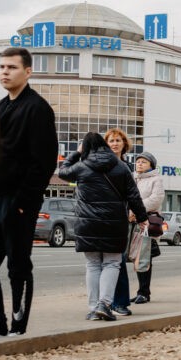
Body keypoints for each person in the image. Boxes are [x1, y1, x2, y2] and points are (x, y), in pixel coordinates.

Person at [0, 47, 59, 337]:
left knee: (18, 267)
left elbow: (44, 162)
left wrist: (23, 202)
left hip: (19, 202)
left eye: (11, 67)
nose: (4, 72)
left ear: (28, 71)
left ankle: (17, 329)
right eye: (1, 67)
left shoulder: (38, 109)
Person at [56, 133, 148, 321]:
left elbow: (62, 171)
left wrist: (77, 153)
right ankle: (104, 305)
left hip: (87, 224)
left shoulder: (81, 166)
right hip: (114, 223)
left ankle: (93, 308)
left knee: (92, 265)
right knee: (112, 263)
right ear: (104, 145)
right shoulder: (121, 167)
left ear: (86, 147)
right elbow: (133, 195)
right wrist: (142, 217)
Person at [104, 128, 135, 316]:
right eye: (111, 141)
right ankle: (104, 302)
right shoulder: (102, 163)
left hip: (120, 217)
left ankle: (120, 302)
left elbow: (131, 192)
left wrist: (134, 210)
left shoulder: (127, 166)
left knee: (119, 260)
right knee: (102, 262)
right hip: (102, 216)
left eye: (118, 140)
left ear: (124, 144)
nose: (115, 144)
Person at [130, 152, 164, 304]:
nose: (140, 164)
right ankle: (141, 291)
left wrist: (136, 209)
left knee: (143, 256)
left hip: (146, 222)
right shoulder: (133, 178)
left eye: (144, 162)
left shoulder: (156, 179)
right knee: (134, 256)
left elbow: (156, 199)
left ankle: (144, 292)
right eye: (138, 161)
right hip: (131, 221)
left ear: (151, 165)